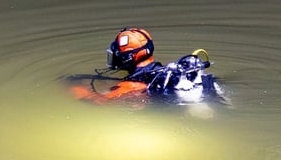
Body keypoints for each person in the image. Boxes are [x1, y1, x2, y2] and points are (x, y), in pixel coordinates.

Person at [68, 27, 228, 106]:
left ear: (127, 58)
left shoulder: (133, 83)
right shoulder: (168, 71)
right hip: (207, 94)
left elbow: (101, 101)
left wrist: (75, 90)